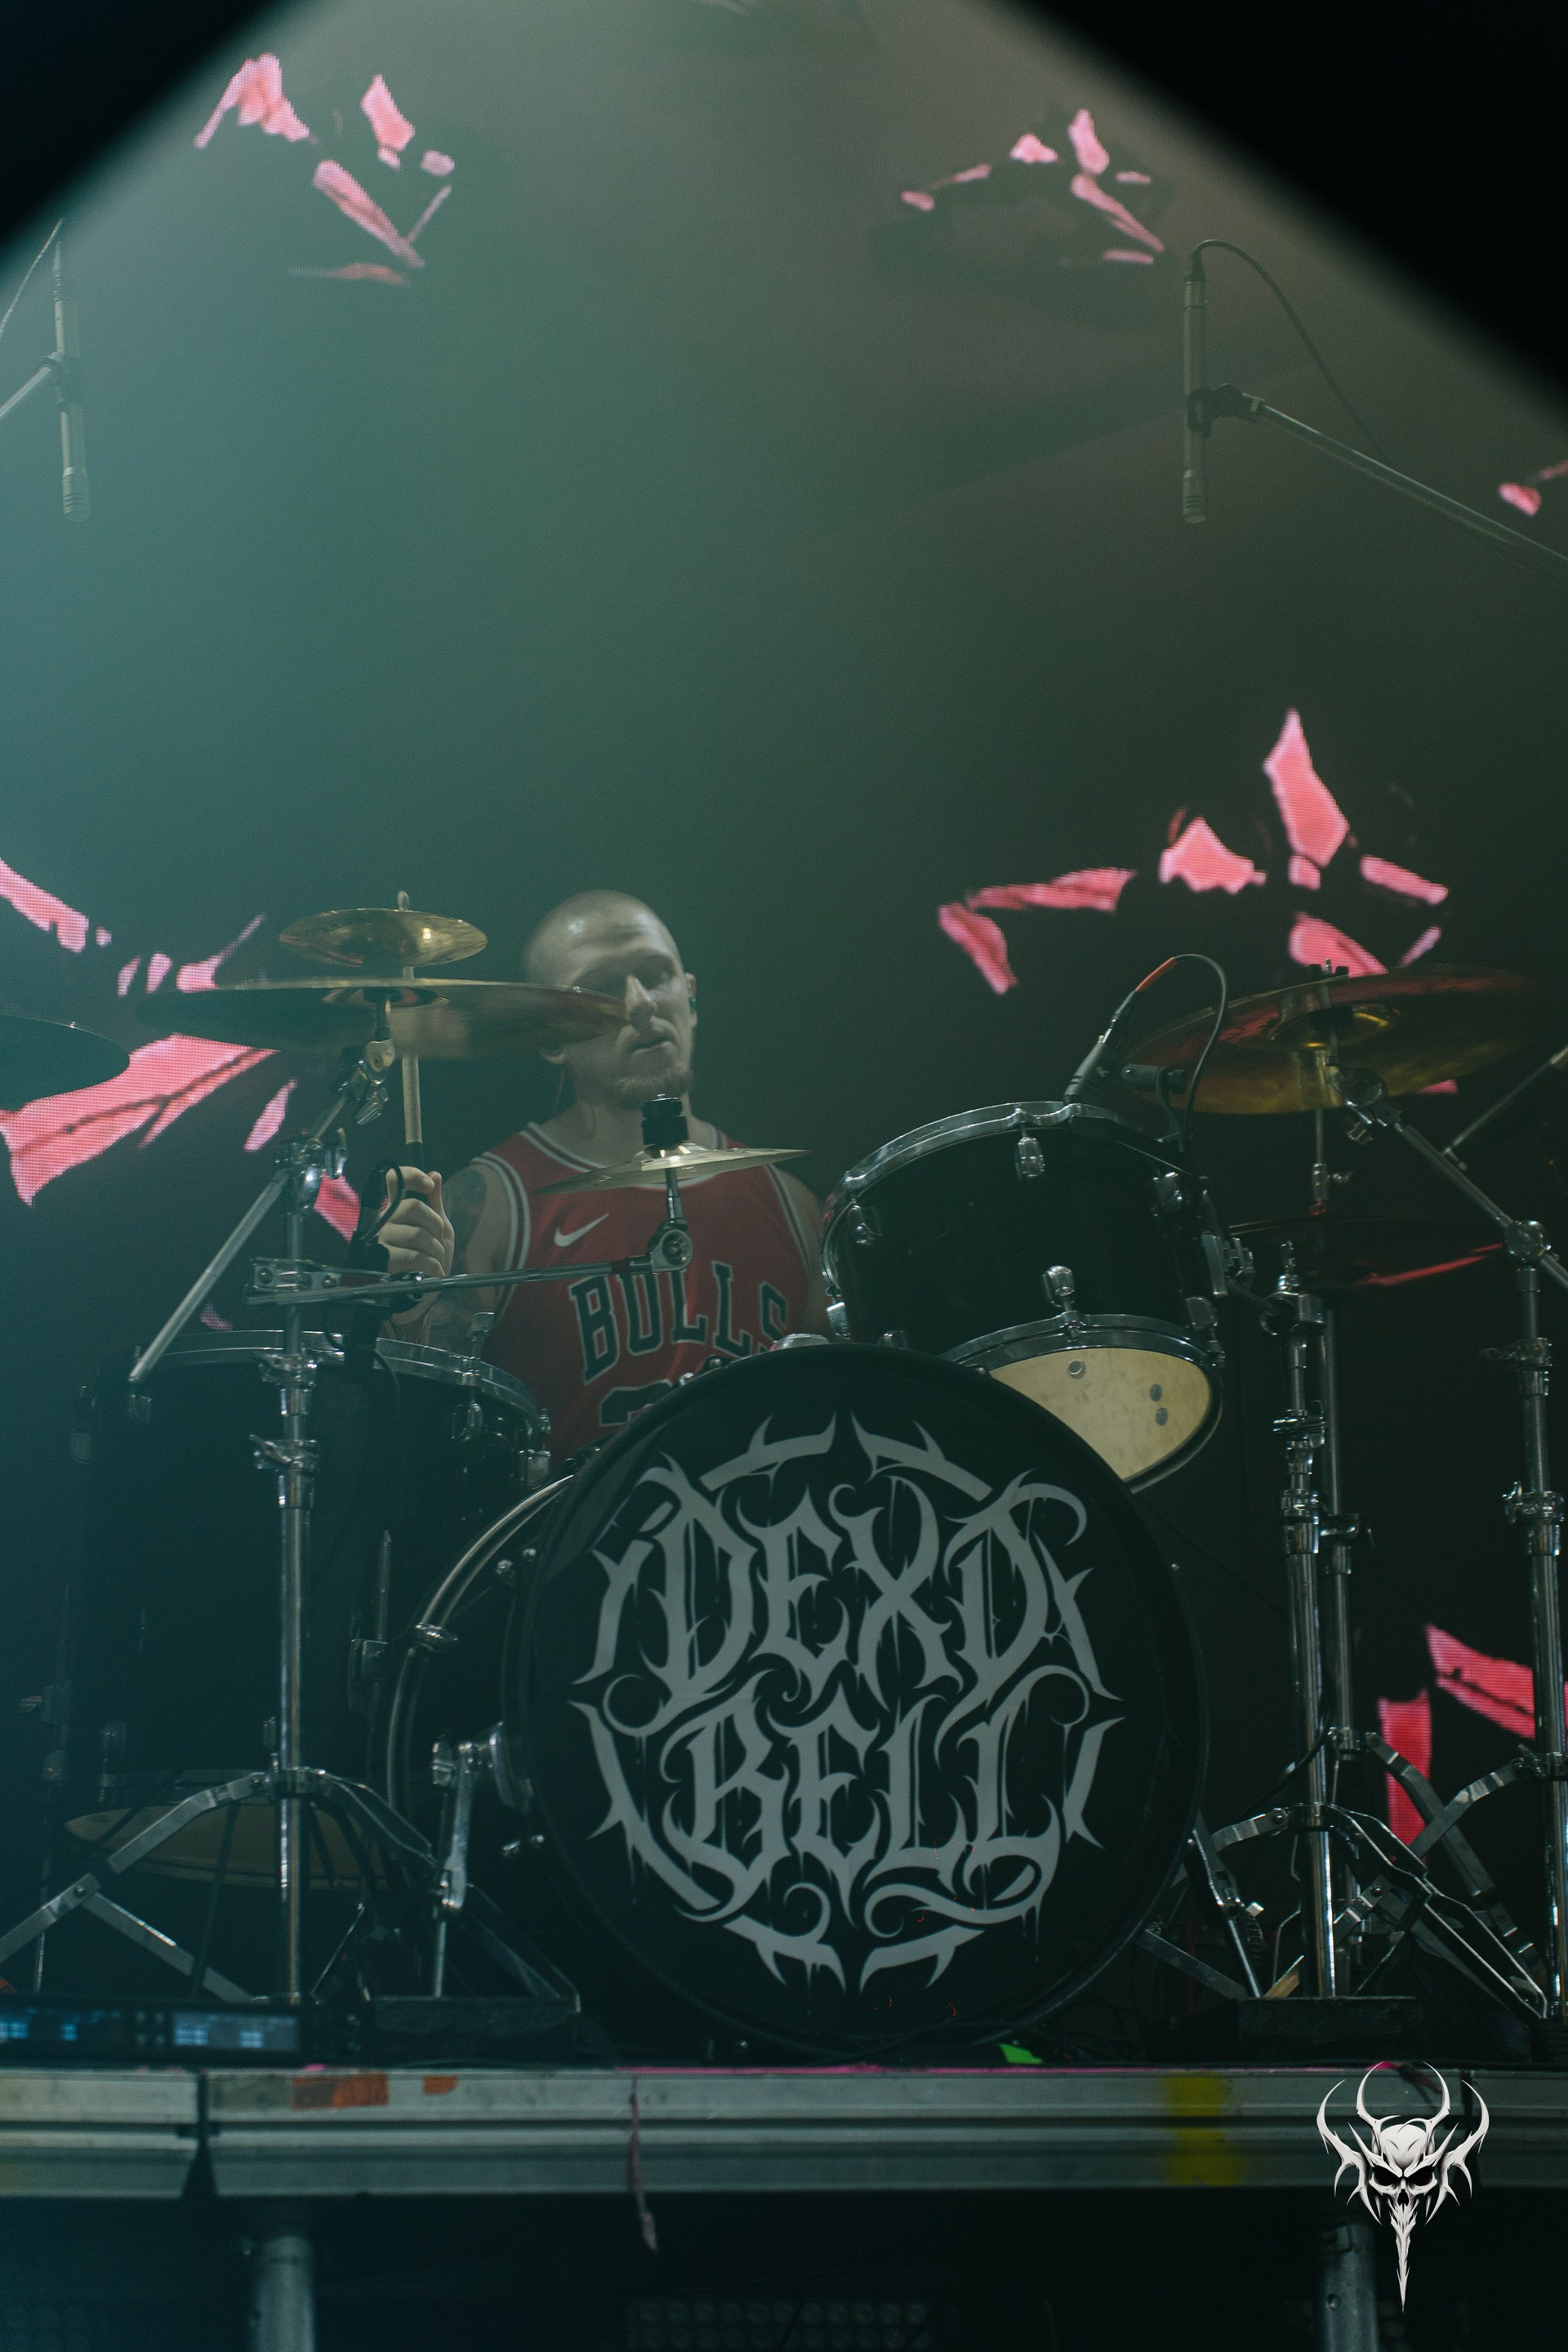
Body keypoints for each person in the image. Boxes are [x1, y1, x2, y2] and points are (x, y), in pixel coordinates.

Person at [372, 890, 826, 1458]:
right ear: (551, 1037)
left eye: (656, 975)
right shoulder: (493, 1205)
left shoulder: (790, 1205)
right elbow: (421, 1430)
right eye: (602, 988)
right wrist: (407, 1303)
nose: (640, 1003)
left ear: (690, 995)